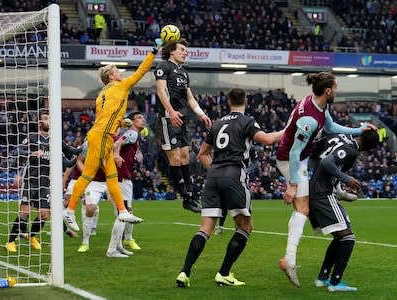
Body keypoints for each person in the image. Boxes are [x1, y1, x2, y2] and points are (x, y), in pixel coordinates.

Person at [176, 88, 283, 288]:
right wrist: (290, 129)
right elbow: (268, 140)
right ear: (246, 101)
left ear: (228, 102)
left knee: (205, 229)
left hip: (213, 176)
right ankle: (224, 273)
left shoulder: (217, 123)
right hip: (234, 174)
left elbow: (202, 154)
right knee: (245, 227)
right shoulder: (247, 121)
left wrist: (216, 169)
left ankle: (184, 272)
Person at [275, 72, 375, 287]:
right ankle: (289, 259)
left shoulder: (318, 106)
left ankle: (291, 259)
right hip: (291, 160)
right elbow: (293, 152)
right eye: (336, 88)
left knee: (302, 209)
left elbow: (331, 127)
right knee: (302, 208)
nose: (337, 92)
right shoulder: (310, 120)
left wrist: (359, 129)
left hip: (301, 158)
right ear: (328, 91)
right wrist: (292, 185)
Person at [63, 39, 164, 231]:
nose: (120, 73)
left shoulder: (102, 93)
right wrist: (154, 50)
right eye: (117, 71)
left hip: (102, 135)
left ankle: (122, 210)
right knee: (87, 176)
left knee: (111, 175)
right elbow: (141, 71)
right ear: (111, 77)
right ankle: (69, 211)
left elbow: (106, 114)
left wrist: (121, 122)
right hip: (102, 136)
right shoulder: (120, 86)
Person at [309, 131, 381, 292]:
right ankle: (335, 283)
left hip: (317, 190)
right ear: (369, 149)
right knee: (348, 237)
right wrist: (346, 178)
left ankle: (323, 278)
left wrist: (342, 194)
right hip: (322, 193)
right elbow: (327, 163)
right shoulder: (351, 150)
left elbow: (319, 152)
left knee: (340, 236)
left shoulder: (341, 137)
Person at [154, 39, 212, 213]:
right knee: (176, 158)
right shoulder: (163, 66)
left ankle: (190, 196)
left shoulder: (184, 73)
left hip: (183, 118)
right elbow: (161, 91)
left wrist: (201, 114)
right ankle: (185, 198)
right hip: (168, 118)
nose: (185, 52)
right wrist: (171, 111)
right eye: (182, 49)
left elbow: (190, 98)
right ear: (172, 51)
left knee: (186, 156)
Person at [5, 110, 51, 253]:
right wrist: (32, 153)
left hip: (45, 182)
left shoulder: (55, 140)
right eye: (46, 118)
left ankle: (32, 236)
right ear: (40, 123)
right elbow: (17, 151)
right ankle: (10, 241)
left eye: (50, 118)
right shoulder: (31, 137)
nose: (48, 120)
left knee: (44, 214)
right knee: (25, 212)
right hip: (30, 179)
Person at [107, 111, 146, 258]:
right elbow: (117, 143)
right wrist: (116, 155)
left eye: (142, 118)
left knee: (123, 213)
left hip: (122, 177)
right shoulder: (132, 133)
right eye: (139, 118)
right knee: (124, 214)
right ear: (133, 121)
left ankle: (119, 246)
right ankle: (112, 250)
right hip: (122, 178)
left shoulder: (133, 135)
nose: (142, 120)